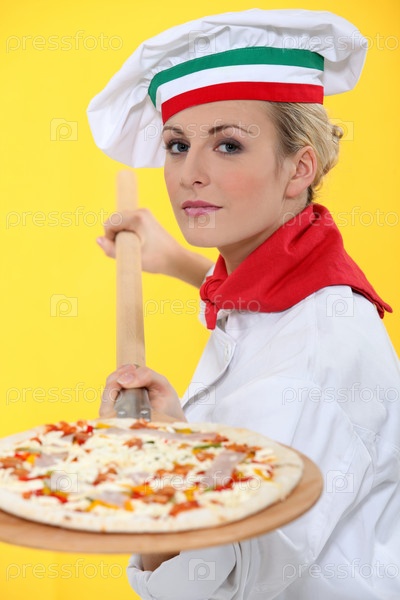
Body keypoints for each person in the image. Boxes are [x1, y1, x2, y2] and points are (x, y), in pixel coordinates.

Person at [88, 9, 400, 599]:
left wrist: (162, 464)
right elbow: (259, 309)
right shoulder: (296, 282)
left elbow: (217, 584)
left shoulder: (315, 359)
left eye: (228, 145)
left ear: (299, 167)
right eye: (177, 145)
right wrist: (177, 260)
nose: (190, 174)